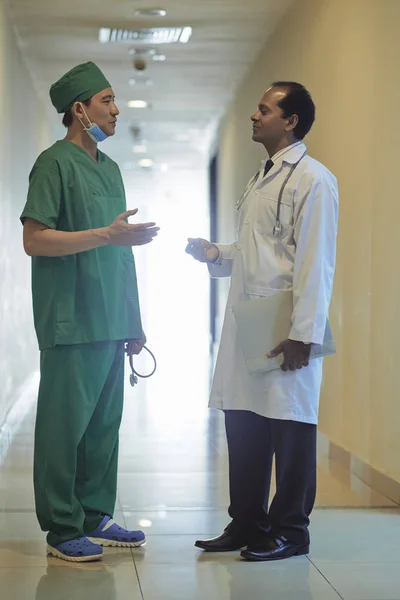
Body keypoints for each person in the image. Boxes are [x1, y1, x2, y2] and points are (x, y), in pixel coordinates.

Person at [186, 82, 338, 562]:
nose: (255, 116)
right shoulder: (262, 177)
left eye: (265, 109)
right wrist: (215, 253)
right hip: (247, 323)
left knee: (290, 428)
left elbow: (317, 262)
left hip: (284, 328)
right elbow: (257, 252)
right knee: (244, 423)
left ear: (290, 120)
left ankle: (291, 531)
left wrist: (304, 335)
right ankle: (247, 522)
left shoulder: (314, 179)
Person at [20, 61, 159, 563]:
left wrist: (134, 321)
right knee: (64, 428)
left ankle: (94, 515)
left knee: (103, 427)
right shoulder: (53, 164)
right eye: (107, 100)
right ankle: (61, 528)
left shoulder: (111, 168)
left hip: (110, 319)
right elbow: (34, 239)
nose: (116, 109)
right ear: (79, 110)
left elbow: (120, 252)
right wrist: (105, 234)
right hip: (71, 319)